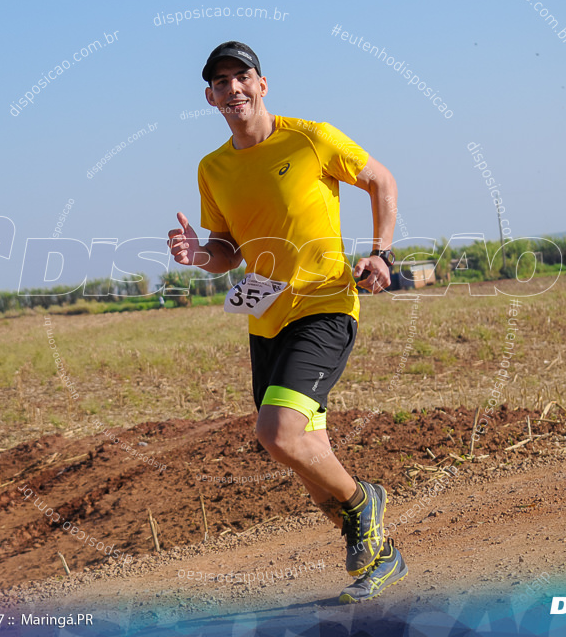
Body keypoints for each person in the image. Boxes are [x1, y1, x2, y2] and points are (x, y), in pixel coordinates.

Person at [167, 41, 405, 603]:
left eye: (241, 77)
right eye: (220, 83)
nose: (233, 90)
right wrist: (198, 254)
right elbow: (227, 249)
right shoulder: (213, 167)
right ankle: (384, 553)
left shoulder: (311, 138)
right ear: (209, 98)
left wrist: (382, 253)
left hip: (324, 305)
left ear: (263, 83)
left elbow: (381, 182)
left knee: (278, 432)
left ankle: (366, 502)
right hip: (265, 318)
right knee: (301, 456)